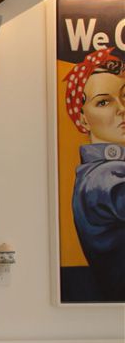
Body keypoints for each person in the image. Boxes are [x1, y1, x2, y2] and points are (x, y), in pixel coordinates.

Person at [63, 47, 125, 300]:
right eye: (103, 102)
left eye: (124, 96)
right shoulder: (103, 177)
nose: (121, 109)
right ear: (83, 120)